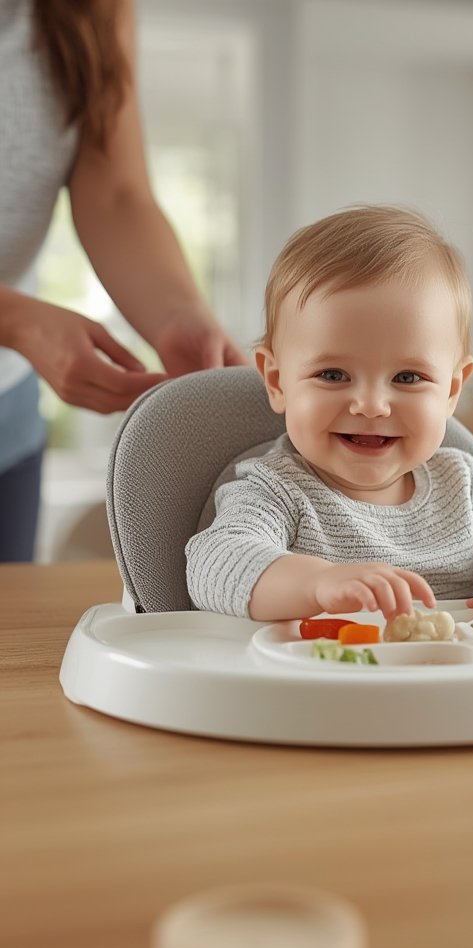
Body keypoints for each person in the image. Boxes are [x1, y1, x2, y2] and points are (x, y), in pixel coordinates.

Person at [186, 205, 473, 622]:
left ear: (452, 389)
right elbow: (216, 563)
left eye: (407, 377)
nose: (371, 405)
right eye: (333, 374)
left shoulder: (461, 488)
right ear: (277, 382)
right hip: (325, 680)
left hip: (454, 679)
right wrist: (318, 586)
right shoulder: (277, 490)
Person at [0, 0, 247, 562]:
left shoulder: (93, 8)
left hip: (5, 422)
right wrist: (16, 320)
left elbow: (116, 196)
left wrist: (179, 313)